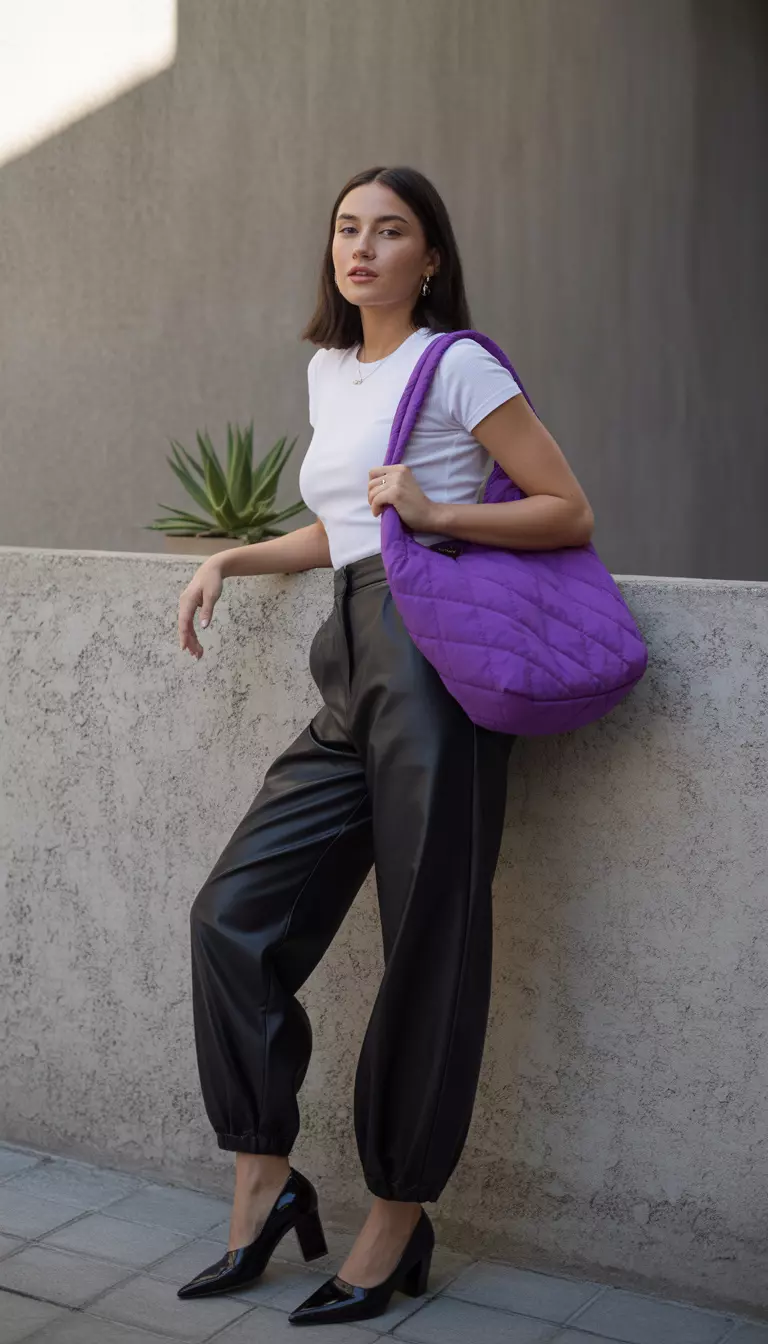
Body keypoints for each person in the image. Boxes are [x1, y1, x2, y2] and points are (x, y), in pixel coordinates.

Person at [175, 165, 594, 1328]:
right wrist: (230, 557)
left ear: (431, 257)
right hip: (348, 663)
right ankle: (266, 1180)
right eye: (347, 228)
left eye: (391, 230)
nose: (362, 247)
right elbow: (342, 526)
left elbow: (567, 508)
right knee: (231, 916)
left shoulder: (456, 365)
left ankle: (398, 1215)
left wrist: (441, 510)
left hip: (433, 665)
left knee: (428, 944)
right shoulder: (330, 369)